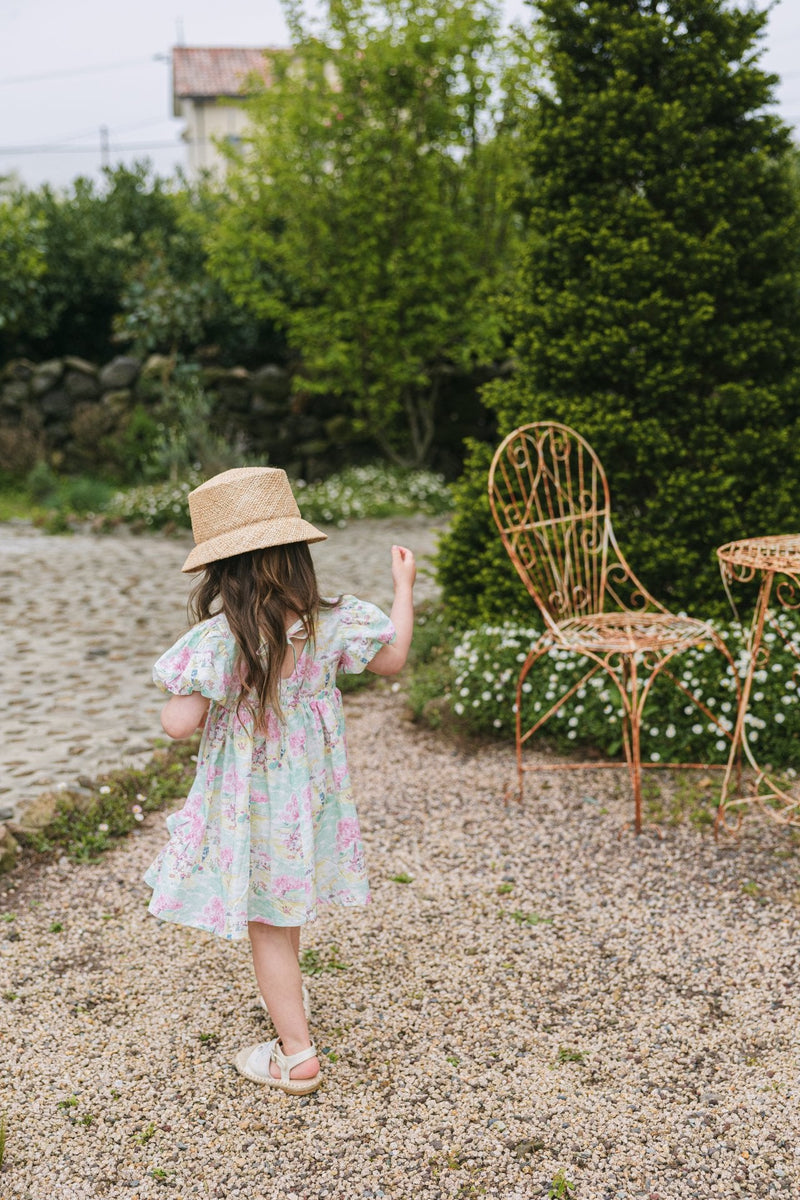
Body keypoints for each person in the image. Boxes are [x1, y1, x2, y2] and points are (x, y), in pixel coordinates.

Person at [143, 466, 415, 1095]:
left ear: (221, 573)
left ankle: (296, 1053)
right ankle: (292, 1026)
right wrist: (403, 586)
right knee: (284, 911)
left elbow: (177, 726)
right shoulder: (335, 622)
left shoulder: (222, 640)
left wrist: (187, 690)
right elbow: (394, 656)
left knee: (266, 922)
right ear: (296, 557)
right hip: (309, 800)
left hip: (252, 805)